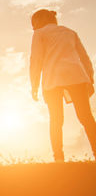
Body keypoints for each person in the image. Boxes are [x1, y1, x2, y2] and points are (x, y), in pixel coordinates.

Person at [30, 9, 96, 162]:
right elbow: (84, 58)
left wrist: (34, 85)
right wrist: (90, 79)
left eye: (34, 23)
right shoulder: (70, 32)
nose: (33, 27)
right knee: (86, 117)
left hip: (53, 80)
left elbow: (36, 61)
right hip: (77, 76)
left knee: (56, 119)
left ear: (39, 21)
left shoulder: (39, 34)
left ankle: (58, 158)